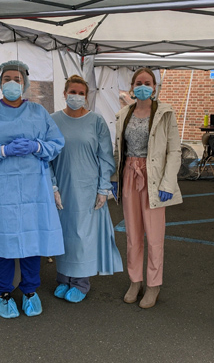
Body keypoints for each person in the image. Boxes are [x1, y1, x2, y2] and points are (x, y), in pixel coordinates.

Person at [0, 60, 65, 319]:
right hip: (1, 190)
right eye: (7, 78)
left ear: (26, 83)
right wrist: (2, 150)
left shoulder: (39, 112)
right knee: (4, 243)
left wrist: (37, 147)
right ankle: (4, 293)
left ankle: (30, 291)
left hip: (34, 189)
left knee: (32, 241)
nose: (12, 83)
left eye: (17, 79)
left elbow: (56, 142)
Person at [111, 67, 182, 309]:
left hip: (153, 178)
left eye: (148, 82)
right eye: (139, 82)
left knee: (154, 236)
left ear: (154, 87)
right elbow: (118, 148)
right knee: (132, 235)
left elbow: (174, 151)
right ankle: (135, 280)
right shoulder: (124, 114)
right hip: (130, 176)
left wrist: (168, 183)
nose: (143, 86)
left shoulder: (165, 113)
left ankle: (153, 284)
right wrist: (114, 177)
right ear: (132, 87)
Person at [50, 75, 123, 303]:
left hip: (88, 188)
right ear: (64, 93)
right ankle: (64, 279)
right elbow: (47, 158)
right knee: (64, 234)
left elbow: (105, 157)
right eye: (73, 92)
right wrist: (52, 186)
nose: (77, 97)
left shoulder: (96, 121)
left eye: (82, 93)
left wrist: (103, 188)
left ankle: (80, 283)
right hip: (62, 186)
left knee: (83, 236)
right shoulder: (52, 120)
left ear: (87, 96)